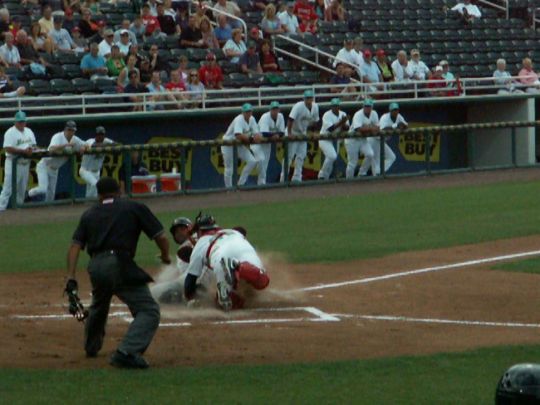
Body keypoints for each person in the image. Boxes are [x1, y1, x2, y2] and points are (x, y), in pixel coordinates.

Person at [66, 176, 170, 368]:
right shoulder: (133, 207)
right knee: (149, 310)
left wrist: (71, 277)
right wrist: (165, 256)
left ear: (99, 195)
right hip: (119, 263)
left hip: (96, 265)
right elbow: (161, 237)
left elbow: (75, 246)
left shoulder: (89, 213)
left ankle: (91, 346)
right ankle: (127, 351)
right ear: (119, 191)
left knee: (99, 304)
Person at [184, 213, 270, 311]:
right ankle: (238, 266)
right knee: (262, 281)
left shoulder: (201, 243)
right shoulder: (232, 232)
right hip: (243, 247)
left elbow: (190, 279)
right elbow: (242, 230)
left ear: (199, 231)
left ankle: (228, 289)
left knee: (228, 304)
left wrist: (189, 297)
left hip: (221, 253)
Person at [28, 121, 87, 203]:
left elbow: (87, 144)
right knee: (43, 189)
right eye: (69, 130)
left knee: (51, 195)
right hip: (44, 165)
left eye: (72, 130)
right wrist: (65, 145)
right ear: (65, 130)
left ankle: (48, 212)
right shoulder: (58, 136)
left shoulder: (75, 140)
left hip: (55, 169)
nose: (70, 132)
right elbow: (51, 149)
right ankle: (29, 194)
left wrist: (83, 147)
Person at [150, 217, 199, 304]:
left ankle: (188, 301)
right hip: (203, 279)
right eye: (176, 231)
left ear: (190, 229)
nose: (179, 233)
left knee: (153, 292)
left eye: (182, 229)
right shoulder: (201, 239)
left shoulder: (184, 248)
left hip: (193, 281)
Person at [221, 103, 264, 188]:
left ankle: (240, 184)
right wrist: (251, 139)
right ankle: (229, 189)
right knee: (229, 168)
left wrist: (257, 136)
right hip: (228, 143)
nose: (248, 113)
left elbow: (257, 134)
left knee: (252, 161)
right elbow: (238, 135)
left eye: (249, 111)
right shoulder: (239, 119)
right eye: (246, 112)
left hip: (239, 144)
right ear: (243, 112)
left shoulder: (252, 119)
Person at [0, 112, 36, 212]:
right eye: (19, 121)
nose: (21, 123)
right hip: (13, 163)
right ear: (15, 122)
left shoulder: (29, 131)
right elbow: (7, 148)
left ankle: (18, 210)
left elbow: (33, 145)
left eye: (23, 121)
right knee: (8, 188)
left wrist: (33, 150)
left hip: (25, 163)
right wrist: (23, 151)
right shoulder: (10, 132)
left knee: (22, 188)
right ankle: (1, 208)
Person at [281, 90, 320, 182]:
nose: (309, 100)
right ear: (304, 99)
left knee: (301, 156)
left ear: (313, 99)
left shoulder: (315, 107)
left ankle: (297, 178)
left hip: (303, 133)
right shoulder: (298, 106)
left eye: (310, 98)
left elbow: (316, 121)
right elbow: (290, 119)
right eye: (307, 98)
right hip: (293, 132)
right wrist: (289, 133)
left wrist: (314, 132)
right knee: (289, 156)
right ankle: (283, 178)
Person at [79, 126, 115, 198]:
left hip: (96, 172)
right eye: (99, 135)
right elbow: (94, 146)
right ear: (96, 135)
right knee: (95, 185)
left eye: (102, 135)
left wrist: (109, 144)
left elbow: (117, 144)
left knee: (92, 191)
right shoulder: (90, 141)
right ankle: (89, 203)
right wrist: (106, 145)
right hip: (85, 170)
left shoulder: (106, 140)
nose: (100, 136)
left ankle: (87, 204)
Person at [346, 99, 378, 178]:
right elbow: (358, 129)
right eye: (365, 106)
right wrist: (370, 128)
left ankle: (361, 173)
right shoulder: (358, 114)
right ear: (363, 107)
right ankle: (348, 180)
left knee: (370, 154)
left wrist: (367, 128)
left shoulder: (374, 114)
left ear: (372, 107)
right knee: (352, 162)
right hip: (352, 139)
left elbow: (377, 127)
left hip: (362, 139)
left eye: (369, 106)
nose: (367, 108)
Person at [255, 101, 285, 185]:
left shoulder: (281, 116)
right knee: (260, 161)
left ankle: (261, 183)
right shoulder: (265, 117)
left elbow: (282, 132)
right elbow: (264, 132)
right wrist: (274, 135)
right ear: (270, 110)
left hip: (267, 143)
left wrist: (277, 135)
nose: (275, 111)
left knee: (265, 163)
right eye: (273, 109)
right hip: (257, 142)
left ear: (279, 110)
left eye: (276, 109)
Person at [318, 98, 349, 180]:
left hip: (336, 139)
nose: (335, 108)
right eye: (333, 106)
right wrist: (341, 122)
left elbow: (347, 128)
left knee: (332, 159)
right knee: (332, 156)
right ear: (331, 107)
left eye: (336, 106)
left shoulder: (343, 114)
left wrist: (343, 125)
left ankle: (326, 178)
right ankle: (321, 175)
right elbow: (330, 129)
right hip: (324, 138)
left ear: (339, 107)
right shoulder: (327, 114)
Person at [375, 102, 406, 175]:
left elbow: (405, 125)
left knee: (391, 157)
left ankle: (379, 173)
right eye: (393, 110)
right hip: (374, 139)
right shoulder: (385, 117)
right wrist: (395, 126)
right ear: (390, 111)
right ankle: (374, 175)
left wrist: (401, 126)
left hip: (381, 141)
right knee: (375, 160)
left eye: (396, 110)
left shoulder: (399, 116)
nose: (395, 112)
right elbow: (383, 129)